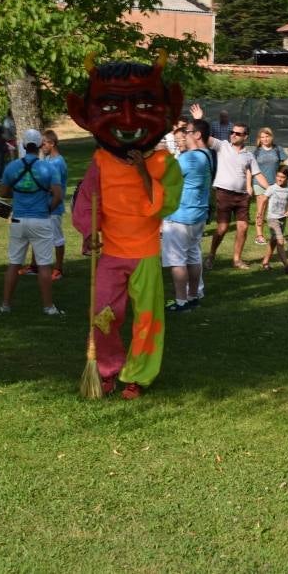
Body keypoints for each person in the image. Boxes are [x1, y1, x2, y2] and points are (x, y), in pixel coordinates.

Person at [71, 53, 184, 400]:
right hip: (111, 255)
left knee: (148, 320)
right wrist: (90, 234)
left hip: (145, 254)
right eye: (111, 108)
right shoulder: (100, 162)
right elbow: (88, 201)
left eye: (144, 104)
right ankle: (106, 368)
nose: (129, 119)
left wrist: (140, 170)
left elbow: (162, 206)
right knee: (102, 316)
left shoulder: (166, 164)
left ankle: (138, 375)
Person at [191, 105, 268, 270]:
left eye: (238, 133)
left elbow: (258, 174)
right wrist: (198, 120)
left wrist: (271, 189)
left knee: (243, 227)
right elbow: (203, 136)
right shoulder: (222, 146)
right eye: (232, 132)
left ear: (245, 137)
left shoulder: (249, 155)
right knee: (222, 228)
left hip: (242, 196)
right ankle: (211, 255)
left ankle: (237, 259)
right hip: (223, 193)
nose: (233, 135)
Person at [0, 128, 64, 315]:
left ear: (23, 144)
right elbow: (58, 195)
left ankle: (5, 305)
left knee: (14, 263)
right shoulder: (48, 167)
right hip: (40, 219)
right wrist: (47, 208)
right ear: (39, 145)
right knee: (44, 265)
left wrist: (19, 194)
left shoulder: (12, 167)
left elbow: (3, 193)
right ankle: (48, 307)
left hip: (18, 220)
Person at [162, 119, 213, 311]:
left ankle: (181, 301)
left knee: (177, 260)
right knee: (192, 257)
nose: (183, 134)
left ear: (197, 135)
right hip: (198, 215)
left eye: (188, 131)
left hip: (179, 216)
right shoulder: (207, 155)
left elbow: (164, 179)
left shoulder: (188, 158)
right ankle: (192, 297)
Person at [258, 166, 288, 274]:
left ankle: (265, 262)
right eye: (278, 176)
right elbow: (263, 200)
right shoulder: (272, 188)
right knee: (280, 241)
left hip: (282, 219)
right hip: (272, 219)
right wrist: (260, 215)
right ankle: (287, 265)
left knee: (274, 241)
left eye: (283, 177)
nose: (279, 179)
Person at [40, 129, 68, 280]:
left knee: (57, 238)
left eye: (43, 144)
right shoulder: (47, 160)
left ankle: (58, 269)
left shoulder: (57, 162)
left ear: (51, 143)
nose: (41, 146)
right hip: (45, 206)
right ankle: (38, 266)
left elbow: (53, 187)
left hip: (54, 207)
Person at [252, 127, 287, 245]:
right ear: (259, 139)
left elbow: (284, 166)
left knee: (276, 210)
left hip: (276, 185)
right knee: (261, 209)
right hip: (260, 184)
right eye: (262, 137)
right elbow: (251, 169)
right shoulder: (256, 152)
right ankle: (259, 235)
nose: (265, 139)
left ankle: (277, 234)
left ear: (271, 137)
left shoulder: (278, 149)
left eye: (267, 136)